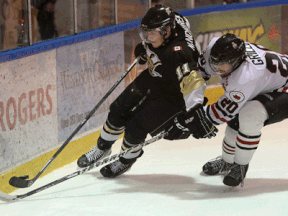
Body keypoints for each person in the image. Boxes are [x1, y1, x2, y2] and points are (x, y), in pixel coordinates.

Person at [77, 4, 218, 178]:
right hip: (156, 76)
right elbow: (170, 29)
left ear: (166, 31)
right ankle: (102, 149)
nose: (148, 37)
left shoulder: (180, 54)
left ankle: (125, 160)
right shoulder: (175, 20)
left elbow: (193, 82)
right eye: (146, 32)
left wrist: (192, 110)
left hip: (174, 94)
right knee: (118, 108)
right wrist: (147, 49)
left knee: (136, 126)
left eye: (152, 33)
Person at [197, 33, 288, 187]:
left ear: (237, 61)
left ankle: (240, 165)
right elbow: (199, 71)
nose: (217, 68)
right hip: (270, 81)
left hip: (284, 88)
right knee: (236, 120)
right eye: (215, 62)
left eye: (222, 64)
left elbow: (219, 114)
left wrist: (194, 120)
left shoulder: (246, 77)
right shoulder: (216, 48)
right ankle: (227, 162)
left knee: (250, 114)